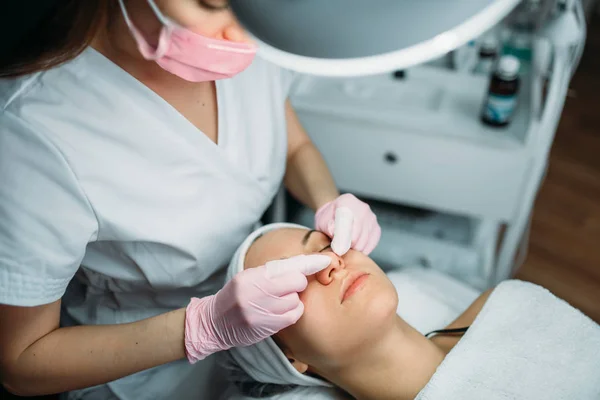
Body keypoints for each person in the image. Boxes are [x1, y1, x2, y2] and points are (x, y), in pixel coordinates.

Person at [0, 1, 381, 399]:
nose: (240, 34)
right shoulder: (30, 131)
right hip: (138, 376)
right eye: (210, 4)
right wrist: (204, 327)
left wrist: (330, 201)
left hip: (265, 348)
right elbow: (22, 362)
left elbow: (295, 146)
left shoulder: (249, 33)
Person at [223, 224, 600, 400]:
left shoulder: (508, 302)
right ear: (291, 357)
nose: (328, 265)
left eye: (323, 244)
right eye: (293, 280)